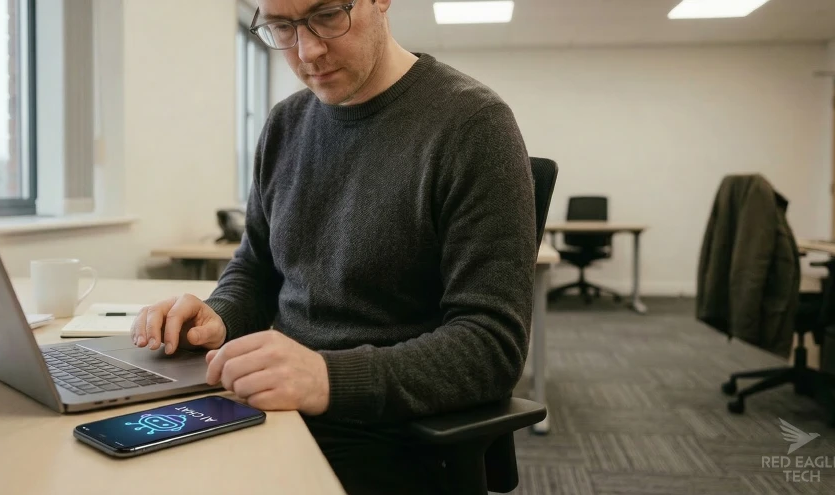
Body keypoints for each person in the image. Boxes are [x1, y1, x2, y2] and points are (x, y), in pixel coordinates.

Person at [130, 0, 536, 492]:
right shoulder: (284, 125)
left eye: (327, 15)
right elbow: (257, 267)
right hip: (269, 404)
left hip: (386, 431)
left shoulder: (473, 124)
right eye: (282, 26)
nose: (308, 51)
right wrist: (219, 315)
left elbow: (492, 345)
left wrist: (327, 378)